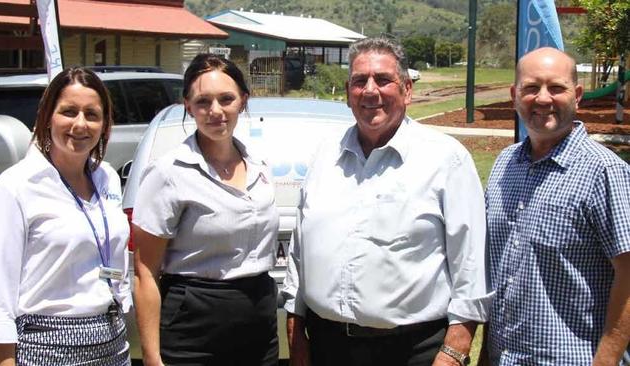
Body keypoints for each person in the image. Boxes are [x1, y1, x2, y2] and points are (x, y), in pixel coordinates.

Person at [282, 37, 491, 366]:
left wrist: (452, 354)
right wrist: (297, 339)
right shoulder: (325, 156)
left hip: (412, 351)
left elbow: (471, 267)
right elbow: (298, 255)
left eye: (383, 80)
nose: (369, 91)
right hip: (328, 348)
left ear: (407, 89)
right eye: (358, 81)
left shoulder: (445, 160)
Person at [485, 47, 630, 364]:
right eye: (531, 88)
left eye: (556, 87)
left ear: (577, 95)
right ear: (514, 95)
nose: (543, 98)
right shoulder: (504, 164)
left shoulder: (604, 172)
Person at [132, 54, 279, 366]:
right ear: (188, 105)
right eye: (203, 102)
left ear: (243, 100)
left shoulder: (259, 166)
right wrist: (152, 356)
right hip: (192, 330)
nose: (216, 112)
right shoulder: (169, 173)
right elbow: (145, 271)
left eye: (226, 99)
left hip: (259, 325)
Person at [0, 67, 131, 365]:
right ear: (48, 117)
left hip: (112, 340)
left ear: (104, 124)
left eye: (91, 114)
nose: (80, 124)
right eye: (69, 112)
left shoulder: (107, 179)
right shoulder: (13, 189)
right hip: (46, 346)